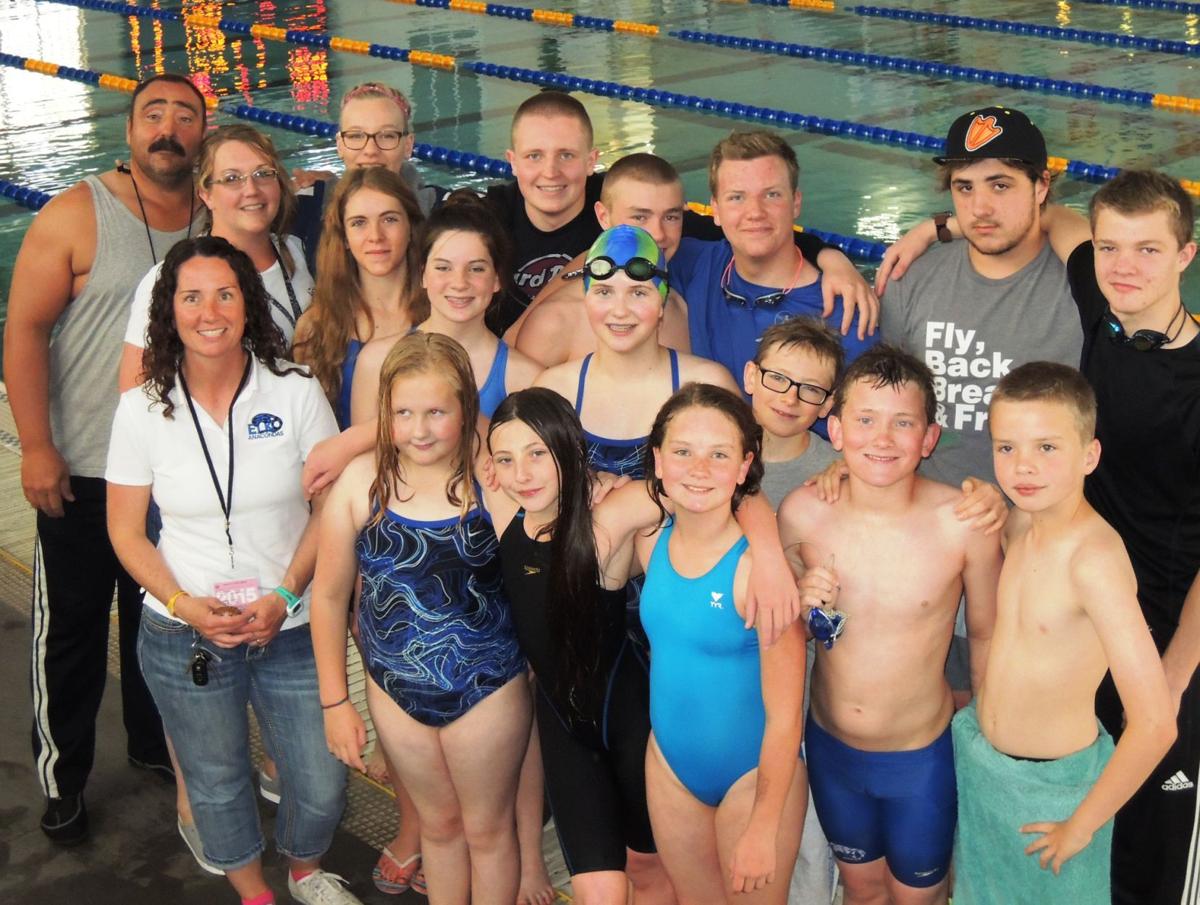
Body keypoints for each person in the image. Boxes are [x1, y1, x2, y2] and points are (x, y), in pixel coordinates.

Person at [105, 236, 361, 905]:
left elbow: (330, 505)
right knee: (216, 775)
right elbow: (125, 531)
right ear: (170, 310)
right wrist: (184, 602)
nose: (209, 310)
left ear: (248, 305)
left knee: (320, 775)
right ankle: (253, 889)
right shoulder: (142, 408)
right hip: (184, 630)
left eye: (225, 293)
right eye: (191, 296)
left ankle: (305, 867)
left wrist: (285, 591)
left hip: (292, 621)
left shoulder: (296, 389)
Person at [3, 72, 206, 845]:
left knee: (160, 623)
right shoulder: (74, 214)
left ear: (202, 133)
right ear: (128, 132)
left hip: (178, 475)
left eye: (184, 116)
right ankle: (64, 777)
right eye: (153, 113)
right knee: (74, 631)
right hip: (85, 465)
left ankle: (155, 748)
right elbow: (23, 332)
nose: (167, 127)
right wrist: (38, 447)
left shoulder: (218, 210)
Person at [312, 333, 532, 904]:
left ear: (466, 410)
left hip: (488, 687)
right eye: (404, 412)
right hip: (394, 690)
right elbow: (331, 597)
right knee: (437, 827)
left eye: (437, 411)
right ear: (385, 413)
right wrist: (337, 702)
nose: (420, 429)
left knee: (486, 830)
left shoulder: (495, 485)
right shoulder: (363, 482)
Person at [778, 346, 1002, 905]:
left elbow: (987, 633)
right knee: (862, 890)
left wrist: (987, 732)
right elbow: (794, 632)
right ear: (836, 429)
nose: (883, 438)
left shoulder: (963, 523)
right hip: (830, 749)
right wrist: (801, 604)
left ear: (929, 438)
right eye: (866, 419)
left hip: (921, 759)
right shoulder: (802, 514)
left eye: (903, 422)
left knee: (919, 897)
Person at [953, 361, 1176, 904]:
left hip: (1055, 791)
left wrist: (1082, 825)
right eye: (1007, 448)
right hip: (987, 769)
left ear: (1089, 455)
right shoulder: (1024, 523)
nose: (1023, 466)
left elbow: (1154, 723)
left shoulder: (1093, 560)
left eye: (1047, 448)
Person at [1050, 170, 1200, 905]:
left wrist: (1171, 676)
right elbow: (1058, 223)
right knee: (1080, 831)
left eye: (1147, 249)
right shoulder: (1101, 308)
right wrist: (935, 228)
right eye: (1112, 246)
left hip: (1173, 635)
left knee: (1152, 856)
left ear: (1186, 255)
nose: (1123, 266)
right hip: (1087, 626)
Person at [488, 387, 674, 904]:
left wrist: (612, 481)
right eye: (506, 459)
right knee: (599, 894)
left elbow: (690, 482)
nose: (522, 473)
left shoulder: (604, 525)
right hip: (565, 733)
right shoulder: (503, 511)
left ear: (569, 448)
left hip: (631, 723)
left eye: (538, 455)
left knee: (651, 872)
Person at [628, 383, 808, 903]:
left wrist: (763, 826)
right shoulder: (648, 540)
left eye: (719, 454)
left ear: (743, 466)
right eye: (683, 452)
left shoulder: (759, 574)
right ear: (658, 461)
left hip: (753, 777)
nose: (699, 469)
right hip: (669, 766)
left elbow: (785, 716)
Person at [507, 152, 879, 371]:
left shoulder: (682, 282)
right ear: (604, 217)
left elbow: (760, 229)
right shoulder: (561, 314)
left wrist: (833, 257)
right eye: (639, 217)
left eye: (671, 216)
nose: (658, 234)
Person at [668, 130, 878, 416]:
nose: (755, 212)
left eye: (772, 195)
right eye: (737, 197)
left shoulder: (845, 311)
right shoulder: (693, 262)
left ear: (796, 203)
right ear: (714, 209)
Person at [534, 224, 740, 481]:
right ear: (586, 300)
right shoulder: (553, 391)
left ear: (662, 303)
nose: (620, 310)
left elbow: (743, 484)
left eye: (638, 293)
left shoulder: (709, 386)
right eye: (604, 292)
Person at [119, 123, 312, 392]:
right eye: (232, 178)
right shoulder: (175, 277)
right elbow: (136, 390)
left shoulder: (302, 252)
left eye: (263, 174)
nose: (252, 190)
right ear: (206, 194)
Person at [293, 166, 425, 429]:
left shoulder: (441, 314)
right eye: (359, 223)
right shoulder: (316, 328)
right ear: (343, 236)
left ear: (410, 227)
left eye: (389, 219)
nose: (376, 236)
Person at [290, 81, 441, 272]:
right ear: (340, 145)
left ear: (408, 145)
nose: (370, 150)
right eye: (356, 136)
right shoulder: (306, 209)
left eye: (386, 135)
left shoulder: (441, 212)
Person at [486, 90, 603, 330]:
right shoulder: (488, 220)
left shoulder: (619, 207)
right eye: (534, 156)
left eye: (566, 155)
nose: (550, 171)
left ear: (591, 161)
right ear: (513, 162)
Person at [745, 318, 844, 508]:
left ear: (827, 404)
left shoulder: (838, 471)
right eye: (778, 378)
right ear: (751, 377)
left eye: (811, 389)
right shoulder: (713, 454)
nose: (790, 399)